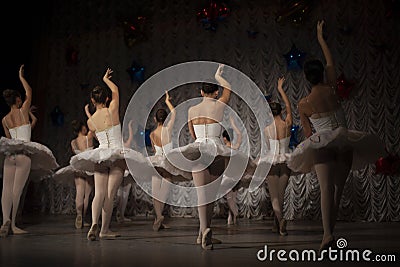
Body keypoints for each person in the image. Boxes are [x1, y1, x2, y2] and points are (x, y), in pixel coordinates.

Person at [287, 20, 386, 252]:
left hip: (323, 144)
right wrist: (321, 37)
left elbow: (309, 132)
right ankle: (330, 234)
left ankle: (327, 234)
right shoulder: (332, 88)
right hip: (344, 141)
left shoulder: (304, 103)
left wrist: (309, 152)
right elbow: (331, 60)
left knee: (325, 190)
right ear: (321, 74)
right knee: (338, 192)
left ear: (306, 78)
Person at [70, 68, 130, 240]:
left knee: (99, 193)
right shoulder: (112, 110)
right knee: (110, 195)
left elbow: (96, 136)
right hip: (117, 154)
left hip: (101, 154)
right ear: (107, 99)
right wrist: (106, 79)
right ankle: (104, 230)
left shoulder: (90, 121)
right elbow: (116, 90)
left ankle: (94, 223)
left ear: (92, 100)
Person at [0, 65, 58, 237]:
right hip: (24, 156)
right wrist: (21, 76)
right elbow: (29, 91)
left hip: (10, 156)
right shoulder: (24, 110)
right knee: (17, 190)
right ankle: (14, 223)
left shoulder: (5, 119)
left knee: (6, 189)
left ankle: (4, 221)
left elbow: (9, 140)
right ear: (18, 100)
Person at [262, 77, 292, 236]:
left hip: (272, 161)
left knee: (274, 196)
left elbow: (268, 147)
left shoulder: (267, 129)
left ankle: (279, 221)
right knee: (281, 195)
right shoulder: (287, 124)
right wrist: (280, 88)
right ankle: (278, 222)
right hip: (286, 160)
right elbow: (289, 106)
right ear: (281, 111)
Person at [54, 119, 94, 229]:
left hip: (78, 167)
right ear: (82, 128)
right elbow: (93, 126)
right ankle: (83, 217)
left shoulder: (73, 142)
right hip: (89, 168)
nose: (86, 128)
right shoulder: (88, 137)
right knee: (86, 195)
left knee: (79, 192)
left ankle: (79, 215)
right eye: (84, 126)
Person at [148, 91, 176, 231]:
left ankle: (158, 217)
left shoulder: (152, 134)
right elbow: (174, 113)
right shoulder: (168, 129)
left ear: (155, 119)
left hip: (156, 162)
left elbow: (154, 150)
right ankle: (159, 217)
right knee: (163, 194)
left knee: (155, 193)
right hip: (167, 162)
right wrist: (167, 101)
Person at [222, 116, 242, 226]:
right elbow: (240, 135)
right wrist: (233, 123)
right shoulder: (235, 147)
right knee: (233, 198)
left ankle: (233, 215)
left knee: (230, 198)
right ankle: (232, 215)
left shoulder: (222, 149)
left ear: (225, 138)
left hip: (227, 176)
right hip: (236, 175)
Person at [115, 120, 134, 224]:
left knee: (119, 193)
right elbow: (130, 138)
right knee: (125, 194)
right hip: (125, 170)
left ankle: (119, 213)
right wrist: (130, 126)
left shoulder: (115, 144)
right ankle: (120, 215)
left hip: (118, 170)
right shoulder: (124, 143)